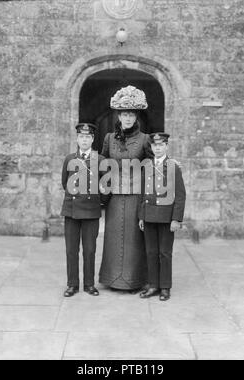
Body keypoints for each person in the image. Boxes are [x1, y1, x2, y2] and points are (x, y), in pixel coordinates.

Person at [99, 86, 153, 291]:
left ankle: (135, 279)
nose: (127, 118)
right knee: (113, 237)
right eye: (124, 114)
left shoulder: (145, 139)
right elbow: (103, 160)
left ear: (136, 116)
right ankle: (111, 278)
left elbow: (152, 165)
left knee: (133, 239)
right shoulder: (109, 138)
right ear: (119, 116)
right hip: (114, 196)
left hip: (134, 196)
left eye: (131, 114)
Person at [138, 133, 186, 301]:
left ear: (166, 146)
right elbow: (142, 193)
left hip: (166, 217)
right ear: (151, 148)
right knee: (151, 252)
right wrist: (141, 216)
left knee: (165, 253)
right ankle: (153, 285)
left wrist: (176, 219)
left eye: (161, 145)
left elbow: (180, 195)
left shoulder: (173, 167)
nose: (157, 148)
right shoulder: (147, 166)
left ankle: (165, 287)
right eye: (154, 146)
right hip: (149, 215)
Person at [61, 123, 105, 298]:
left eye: (88, 137)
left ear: (92, 139)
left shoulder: (100, 160)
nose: (84, 140)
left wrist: (97, 202)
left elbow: (105, 187)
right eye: (81, 137)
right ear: (77, 139)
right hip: (71, 210)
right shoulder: (69, 159)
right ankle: (72, 284)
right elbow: (65, 182)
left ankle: (89, 284)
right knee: (71, 249)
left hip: (91, 211)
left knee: (90, 249)